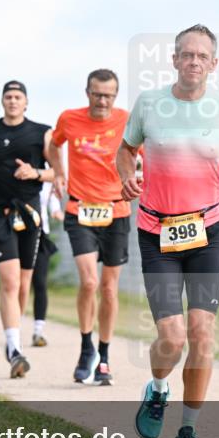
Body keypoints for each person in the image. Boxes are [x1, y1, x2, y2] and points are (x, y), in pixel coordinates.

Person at [117, 24, 219, 438]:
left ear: (214, 64)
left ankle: (189, 432)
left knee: (202, 334)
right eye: (186, 54)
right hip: (157, 231)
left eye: (202, 56)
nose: (193, 62)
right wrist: (126, 174)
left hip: (207, 231)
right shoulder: (149, 104)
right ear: (174, 60)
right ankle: (157, 389)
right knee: (172, 339)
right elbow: (126, 149)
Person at [46, 69, 132, 386]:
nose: (102, 100)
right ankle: (86, 348)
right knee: (89, 282)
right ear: (87, 92)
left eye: (108, 94)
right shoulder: (69, 119)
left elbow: (143, 155)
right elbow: (53, 146)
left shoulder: (127, 119)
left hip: (116, 210)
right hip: (80, 208)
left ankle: (104, 358)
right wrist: (58, 173)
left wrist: (138, 178)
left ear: (116, 95)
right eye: (97, 93)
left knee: (109, 288)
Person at [0, 80, 54, 378]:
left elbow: (58, 172)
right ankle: (14, 348)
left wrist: (35, 172)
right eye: (8, 96)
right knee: (8, 281)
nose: (12, 101)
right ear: (2, 101)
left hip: (29, 212)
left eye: (17, 97)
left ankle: (14, 341)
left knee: (22, 284)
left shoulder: (41, 132)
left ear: (26, 102)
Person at [29, 179, 63, 347]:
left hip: (41, 233)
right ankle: (14, 330)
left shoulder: (48, 171)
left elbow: (53, 196)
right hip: (19, 231)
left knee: (40, 282)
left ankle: (38, 331)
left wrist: (56, 210)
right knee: (19, 284)